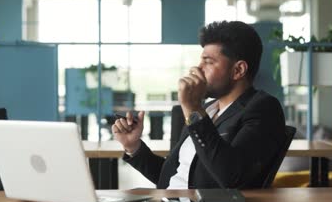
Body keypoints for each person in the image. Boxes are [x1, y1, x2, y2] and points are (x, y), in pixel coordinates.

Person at [113, 21, 286, 189]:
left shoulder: (263, 108)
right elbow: (173, 176)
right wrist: (133, 147)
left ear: (238, 70)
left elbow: (231, 178)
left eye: (208, 62)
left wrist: (193, 108)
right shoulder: (207, 110)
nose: (198, 68)